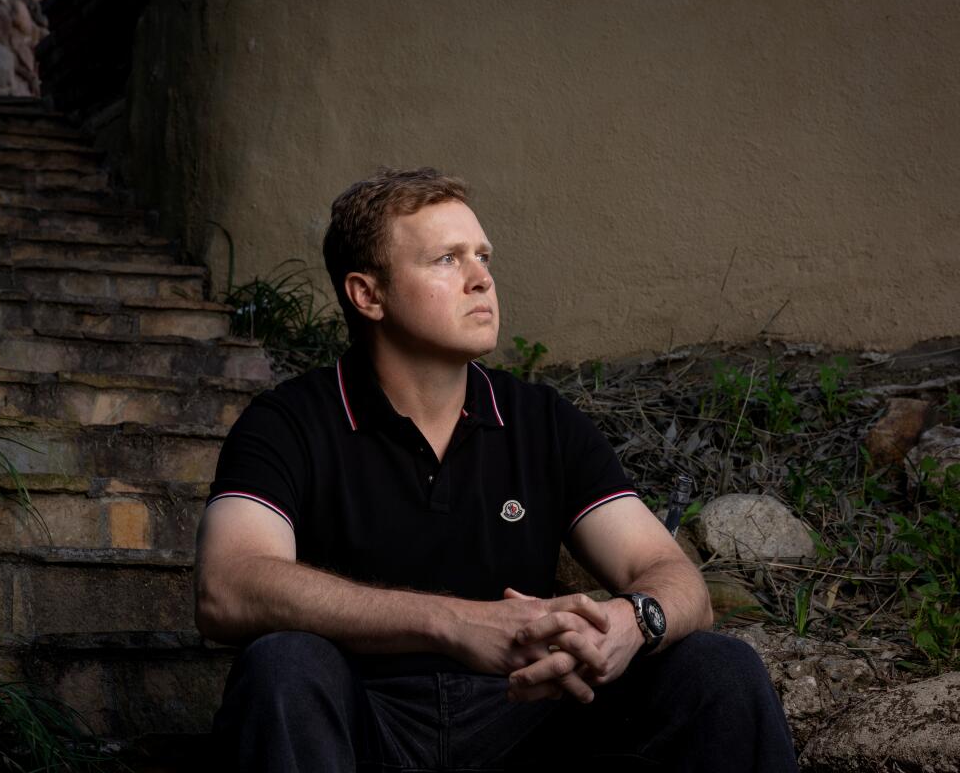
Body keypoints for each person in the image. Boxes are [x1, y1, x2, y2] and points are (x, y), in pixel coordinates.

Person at [194, 168, 797, 772]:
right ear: (368, 294)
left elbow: (672, 575)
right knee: (282, 666)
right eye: (446, 260)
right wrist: (454, 622)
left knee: (720, 670)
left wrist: (633, 620)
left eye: (482, 256)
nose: (482, 278)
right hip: (363, 721)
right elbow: (228, 587)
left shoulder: (542, 422)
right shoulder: (289, 422)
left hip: (527, 718)